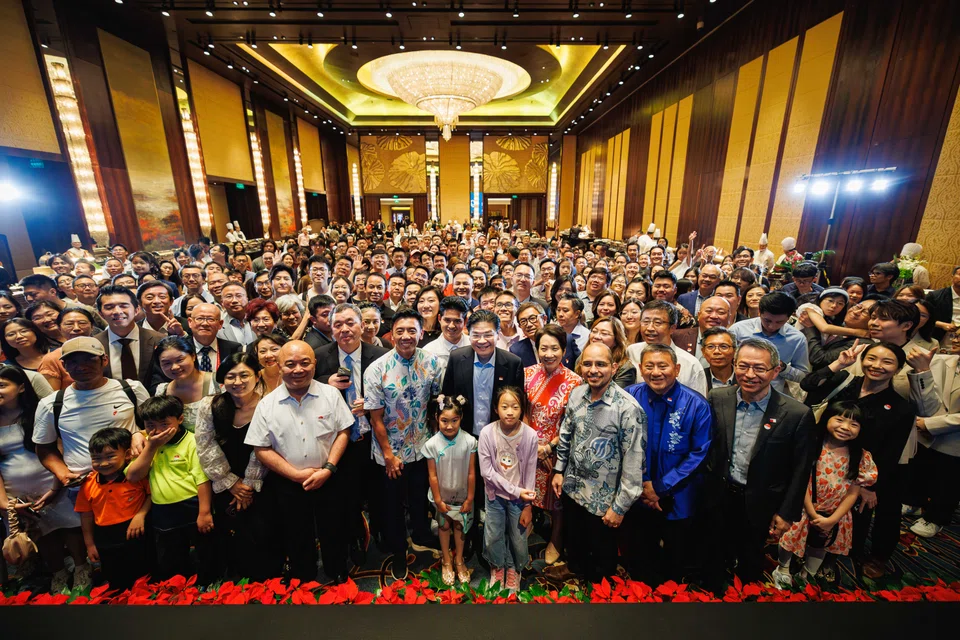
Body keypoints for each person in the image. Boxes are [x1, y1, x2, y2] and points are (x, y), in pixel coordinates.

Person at [702, 337, 817, 588]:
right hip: (719, 495)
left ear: (775, 371)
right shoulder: (718, 397)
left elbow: (801, 469)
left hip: (761, 502)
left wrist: (786, 513)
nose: (750, 374)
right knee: (713, 553)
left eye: (759, 368)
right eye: (743, 366)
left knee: (750, 559)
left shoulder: (796, 414)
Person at [800, 339, 915, 578]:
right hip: (821, 460)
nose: (877, 366)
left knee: (848, 517)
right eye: (871, 358)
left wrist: (870, 486)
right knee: (808, 509)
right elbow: (808, 384)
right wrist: (839, 364)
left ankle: (831, 560)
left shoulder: (900, 407)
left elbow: (890, 453)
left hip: (856, 473)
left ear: (898, 368)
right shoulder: (844, 382)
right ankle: (799, 552)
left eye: (887, 362)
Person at [245, 340, 353, 583]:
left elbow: (343, 432)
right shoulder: (267, 405)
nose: (298, 370)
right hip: (288, 482)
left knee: (334, 527)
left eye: (305, 363)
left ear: (314, 364)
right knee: (295, 532)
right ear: (279, 366)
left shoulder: (331, 394)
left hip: (329, 476)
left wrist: (328, 468)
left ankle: (337, 570)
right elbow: (261, 448)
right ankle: (304, 576)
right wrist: (294, 475)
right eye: (290, 364)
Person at [545, 343, 646, 583]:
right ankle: (575, 569)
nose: (593, 370)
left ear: (614, 367)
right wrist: (559, 470)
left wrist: (619, 507)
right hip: (573, 486)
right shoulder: (577, 394)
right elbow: (566, 433)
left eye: (600, 364)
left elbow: (634, 462)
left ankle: (599, 592)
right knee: (575, 541)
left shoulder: (628, 408)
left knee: (602, 560)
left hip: (604, 499)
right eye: (588, 364)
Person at [365, 309, 444, 580]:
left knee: (420, 497)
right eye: (400, 331)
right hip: (391, 453)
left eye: (412, 330)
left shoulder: (432, 363)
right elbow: (375, 418)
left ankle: (421, 536)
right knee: (393, 505)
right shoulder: (377, 369)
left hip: (422, 447)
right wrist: (388, 455)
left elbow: (435, 405)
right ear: (392, 334)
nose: (406, 336)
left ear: (421, 333)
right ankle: (399, 552)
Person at [625, 344, 712, 584]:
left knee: (676, 559)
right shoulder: (629, 397)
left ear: (677, 369)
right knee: (639, 555)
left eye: (662, 366)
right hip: (637, 494)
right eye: (649, 366)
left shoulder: (696, 405)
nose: (656, 372)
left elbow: (700, 452)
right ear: (641, 369)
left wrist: (660, 487)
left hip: (679, 495)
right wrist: (644, 485)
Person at [313, 303, 389, 565]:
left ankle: (380, 534)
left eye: (350, 323)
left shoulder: (381, 355)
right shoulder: (318, 356)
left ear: (362, 325)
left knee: (378, 492)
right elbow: (303, 386)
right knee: (346, 497)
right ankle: (355, 538)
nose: (344, 329)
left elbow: (394, 393)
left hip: (374, 437)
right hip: (338, 440)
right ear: (331, 328)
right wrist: (326, 383)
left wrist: (372, 403)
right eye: (338, 325)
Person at [0, 364, 86, 593]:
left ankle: (82, 570)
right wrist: (5, 503)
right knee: (42, 532)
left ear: (21, 388)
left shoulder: (41, 410)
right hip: (15, 491)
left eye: (2, 385)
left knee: (70, 526)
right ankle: (58, 574)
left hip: (52, 481)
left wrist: (57, 486)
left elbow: (60, 448)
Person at [773, 402, 877, 589]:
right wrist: (812, 513)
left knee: (822, 544)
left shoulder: (861, 457)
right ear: (826, 418)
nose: (845, 427)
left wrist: (833, 519)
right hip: (804, 508)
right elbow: (801, 481)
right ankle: (783, 569)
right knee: (790, 539)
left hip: (835, 512)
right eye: (839, 420)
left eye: (854, 424)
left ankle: (808, 574)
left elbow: (853, 492)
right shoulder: (812, 446)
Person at [194, 352, 278, 581]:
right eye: (231, 376)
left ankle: (268, 585)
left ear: (257, 376)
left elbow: (268, 445)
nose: (237, 382)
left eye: (244, 375)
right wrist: (231, 483)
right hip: (223, 482)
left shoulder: (269, 404)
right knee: (231, 535)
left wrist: (247, 486)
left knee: (263, 535)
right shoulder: (210, 405)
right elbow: (205, 445)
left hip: (262, 481)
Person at [124, 396, 217, 585]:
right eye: (150, 425)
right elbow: (133, 476)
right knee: (170, 556)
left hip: (193, 505)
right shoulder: (146, 445)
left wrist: (205, 512)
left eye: (164, 424)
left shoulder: (191, 442)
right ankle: (177, 590)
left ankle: (208, 585)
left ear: (180, 419)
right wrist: (151, 447)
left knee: (205, 552)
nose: (158, 431)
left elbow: (202, 480)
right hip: (162, 509)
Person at [523, 325, 582, 566]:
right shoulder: (526, 374)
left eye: (554, 348)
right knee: (525, 490)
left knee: (556, 498)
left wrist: (549, 447)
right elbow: (521, 409)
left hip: (557, 449)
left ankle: (556, 538)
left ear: (564, 350)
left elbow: (572, 422)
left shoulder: (575, 382)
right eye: (543, 348)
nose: (548, 354)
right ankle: (526, 525)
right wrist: (531, 443)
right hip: (527, 445)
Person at [75, 427, 153, 590]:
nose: (103, 463)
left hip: (136, 532)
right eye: (96, 458)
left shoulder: (136, 476)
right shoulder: (88, 484)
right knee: (115, 580)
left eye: (110, 456)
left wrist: (140, 515)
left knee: (145, 575)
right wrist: (90, 545)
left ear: (127, 454)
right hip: (105, 537)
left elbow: (151, 495)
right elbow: (86, 515)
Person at [477, 386, 537, 592]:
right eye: (504, 407)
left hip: (520, 499)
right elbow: (487, 472)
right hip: (495, 495)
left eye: (515, 407)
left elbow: (530, 472)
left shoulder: (530, 435)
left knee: (518, 536)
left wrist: (528, 505)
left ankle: (513, 569)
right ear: (496, 408)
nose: (510, 412)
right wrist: (515, 490)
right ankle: (497, 567)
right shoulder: (487, 433)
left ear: (522, 409)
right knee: (493, 533)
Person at [904, 345, 960, 539]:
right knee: (921, 469)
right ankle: (914, 502)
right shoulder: (943, 361)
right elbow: (925, 403)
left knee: (949, 481)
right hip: (926, 433)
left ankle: (936, 518)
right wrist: (922, 370)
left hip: (955, 437)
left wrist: (931, 424)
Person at [422, 395, 477, 586]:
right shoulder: (432, 444)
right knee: (444, 526)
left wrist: (470, 498)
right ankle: (446, 559)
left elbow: (471, 472)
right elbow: (432, 476)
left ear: (461, 418)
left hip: (462, 495)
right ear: (437, 418)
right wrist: (438, 500)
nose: (450, 426)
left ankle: (459, 559)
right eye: (444, 421)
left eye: (455, 420)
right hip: (442, 496)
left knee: (460, 526)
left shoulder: (469, 441)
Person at [730, 292, 810, 394]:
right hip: (737, 391)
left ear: (789, 317)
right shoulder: (738, 330)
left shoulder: (797, 339)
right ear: (759, 312)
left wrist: (784, 368)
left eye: (779, 322)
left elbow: (803, 376)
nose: (772, 326)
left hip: (772, 395)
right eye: (767, 320)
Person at [625, 301, 707, 395]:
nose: (650, 328)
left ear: (672, 328)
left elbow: (698, 400)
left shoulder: (691, 364)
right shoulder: (632, 351)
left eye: (657, 323)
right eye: (645, 322)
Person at [94, 284, 164, 390]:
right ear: (101, 314)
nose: (117, 311)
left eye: (123, 306)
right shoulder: (94, 344)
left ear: (136, 310)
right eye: (109, 307)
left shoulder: (159, 340)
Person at [153, 336, 220, 433]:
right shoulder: (162, 391)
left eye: (179, 360)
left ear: (193, 356)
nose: (174, 367)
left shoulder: (217, 383)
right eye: (166, 363)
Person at [38, 308, 95, 391]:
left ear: (92, 326)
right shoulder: (52, 359)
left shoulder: (104, 348)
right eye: (69, 324)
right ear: (59, 328)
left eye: (82, 323)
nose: (76, 328)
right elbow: (52, 395)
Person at [186, 303, 242, 375]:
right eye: (200, 319)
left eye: (210, 319)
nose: (205, 323)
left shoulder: (234, 349)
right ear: (190, 322)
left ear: (220, 324)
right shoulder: (180, 349)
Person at [422, 295, 472, 371]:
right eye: (447, 320)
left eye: (457, 321)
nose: (451, 326)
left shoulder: (474, 346)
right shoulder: (428, 351)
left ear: (465, 321)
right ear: (439, 318)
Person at [587, 317, 638, 389]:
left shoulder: (625, 368)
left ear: (616, 339)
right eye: (594, 331)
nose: (596, 336)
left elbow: (617, 394)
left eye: (604, 334)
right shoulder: (581, 359)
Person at [217, 282, 256, 347]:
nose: (234, 300)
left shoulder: (258, 322)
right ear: (222, 302)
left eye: (239, 296)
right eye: (229, 296)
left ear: (247, 299)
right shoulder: (218, 329)